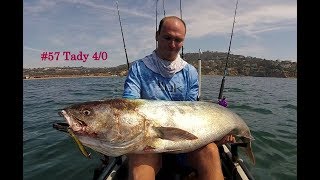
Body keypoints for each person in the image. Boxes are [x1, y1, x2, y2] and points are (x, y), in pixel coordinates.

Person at [123, 16, 234, 180]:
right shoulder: (138, 69)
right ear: (157, 35)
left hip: (186, 142)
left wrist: (219, 135)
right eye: (167, 38)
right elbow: (128, 107)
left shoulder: (190, 73)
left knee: (211, 151)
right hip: (149, 142)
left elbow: (193, 113)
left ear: (183, 41)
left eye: (178, 40)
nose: (172, 44)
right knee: (139, 159)